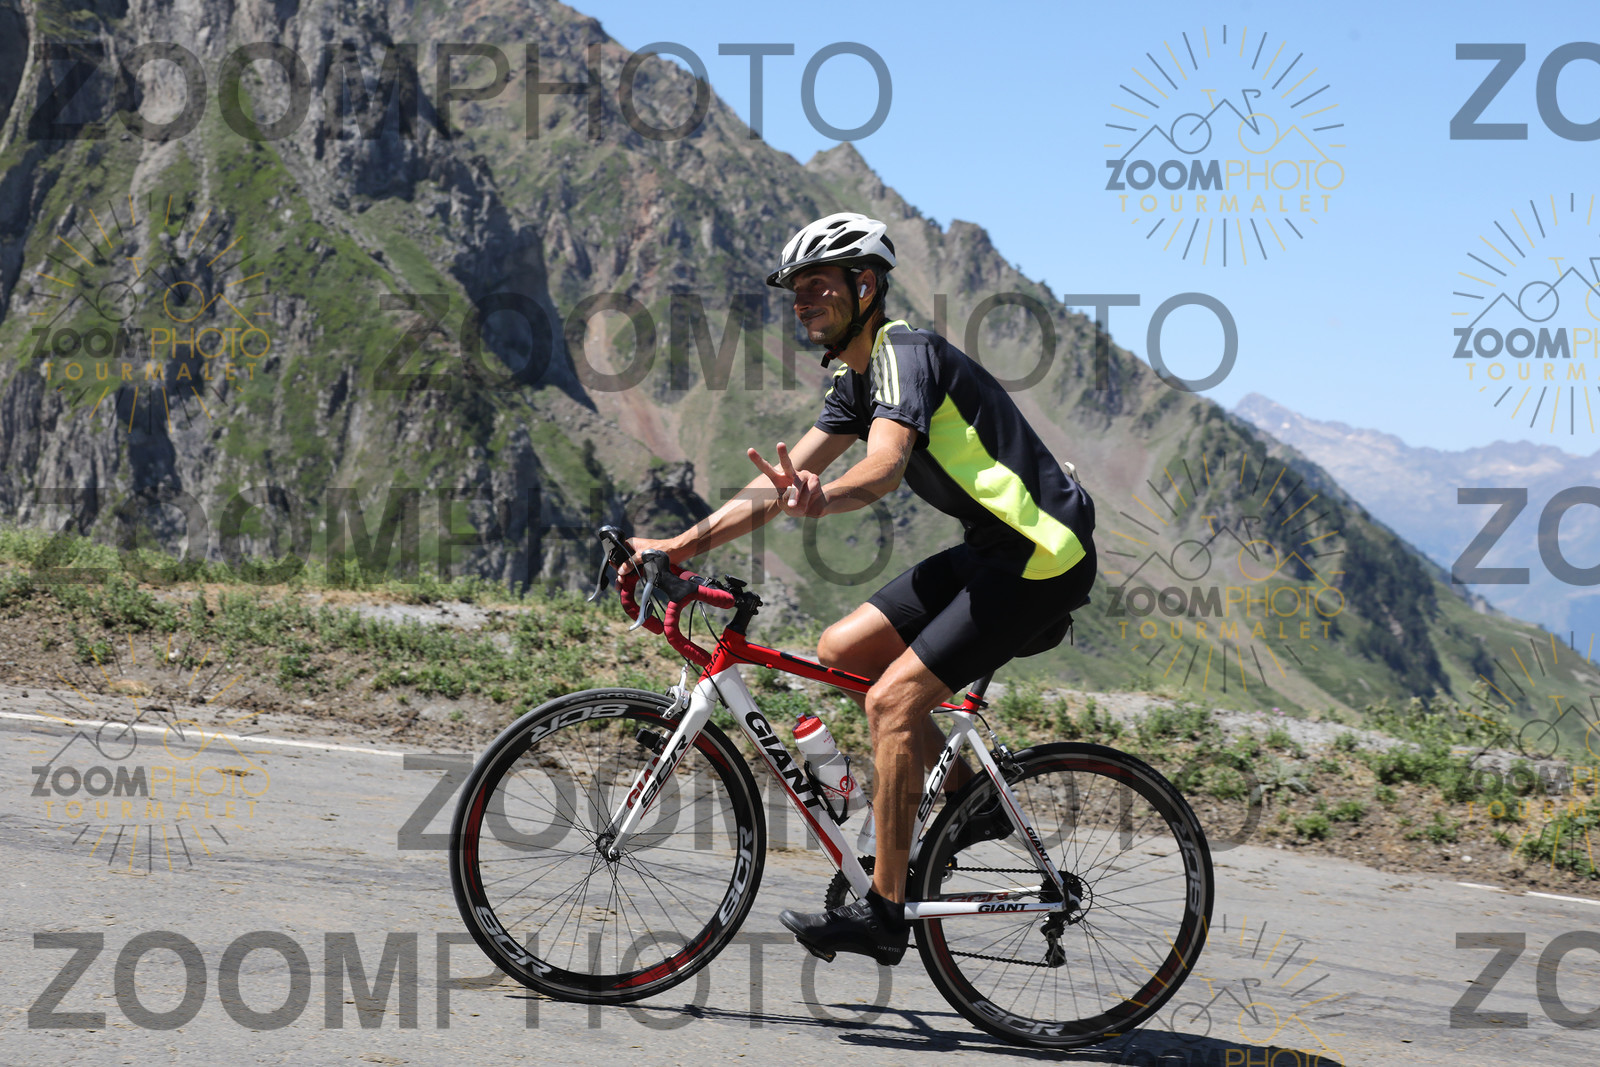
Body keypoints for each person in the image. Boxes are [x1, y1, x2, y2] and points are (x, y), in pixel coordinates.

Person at [627, 211, 1097, 966]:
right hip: (993, 550)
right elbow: (772, 487)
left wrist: (823, 498)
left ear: (865, 286)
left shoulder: (904, 355)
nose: (801, 301)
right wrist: (676, 545)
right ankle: (970, 800)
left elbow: (881, 468)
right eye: (795, 291)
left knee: (892, 702)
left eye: (818, 285)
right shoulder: (856, 379)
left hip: (1044, 556)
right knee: (843, 649)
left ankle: (884, 912)